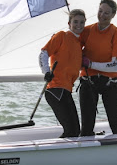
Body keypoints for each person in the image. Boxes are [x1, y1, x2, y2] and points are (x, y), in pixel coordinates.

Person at [79, 0, 117, 136]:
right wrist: (59, 39)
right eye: (100, 11)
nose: (102, 15)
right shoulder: (87, 31)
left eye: (106, 13)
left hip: (110, 82)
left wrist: (91, 64)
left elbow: (115, 66)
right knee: (86, 127)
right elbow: (71, 45)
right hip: (89, 80)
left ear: (113, 15)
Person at [39, 9, 86, 138]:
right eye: (75, 22)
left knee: (75, 131)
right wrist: (46, 72)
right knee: (72, 131)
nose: (78, 25)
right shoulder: (61, 36)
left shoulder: (79, 44)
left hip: (65, 91)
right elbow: (43, 53)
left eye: (82, 22)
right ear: (69, 23)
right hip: (55, 90)